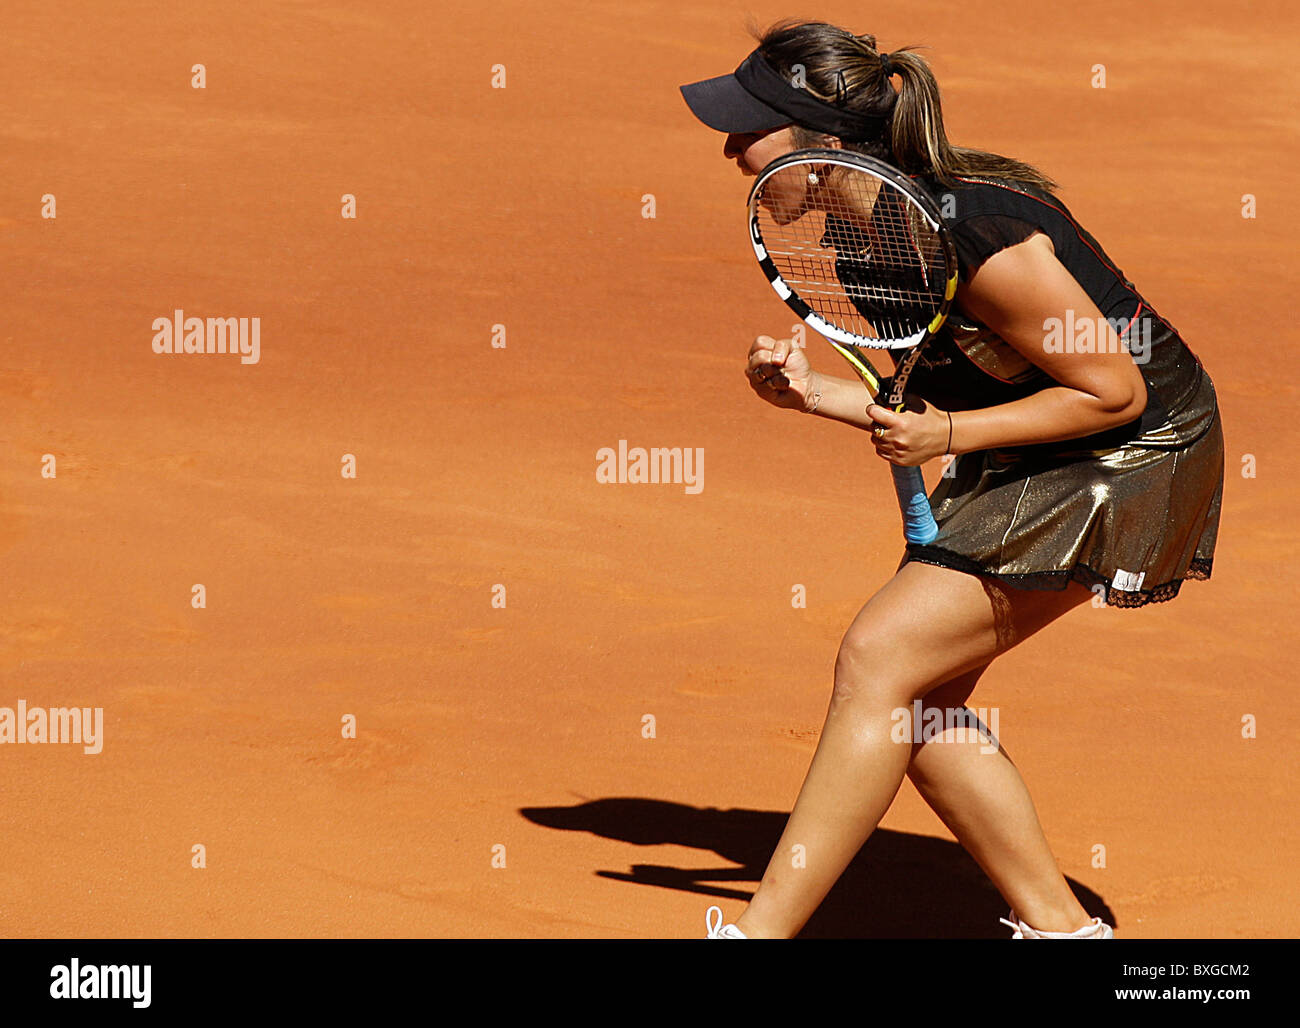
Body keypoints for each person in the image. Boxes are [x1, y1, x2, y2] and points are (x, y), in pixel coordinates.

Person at [679, 19, 1224, 939]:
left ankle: (762, 935)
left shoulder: (981, 235)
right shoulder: (863, 237)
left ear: (825, 148)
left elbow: (1112, 390)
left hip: (1132, 447)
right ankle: (1063, 929)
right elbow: (918, 408)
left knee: (881, 660)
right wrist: (812, 394)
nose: (733, 146)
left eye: (752, 126)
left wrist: (951, 433)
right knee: (917, 697)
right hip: (1041, 436)